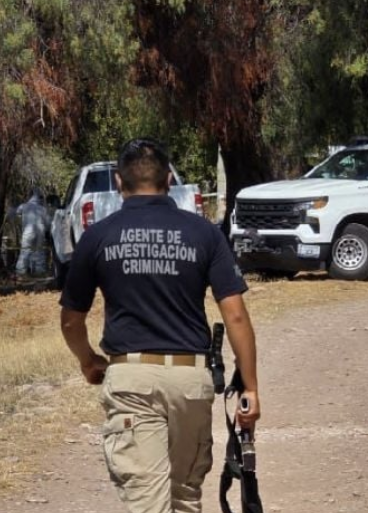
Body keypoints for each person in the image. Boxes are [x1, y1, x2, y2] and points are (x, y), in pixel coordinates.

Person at [59, 137, 260, 513]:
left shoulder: (98, 236)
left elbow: (71, 321)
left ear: (118, 182)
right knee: (184, 498)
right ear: (169, 180)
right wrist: (250, 387)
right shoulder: (204, 233)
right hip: (190, 382)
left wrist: (88, 360)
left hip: (131, 381)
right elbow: (235, 315)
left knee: (148, 503)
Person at [15, 188, 51, 278]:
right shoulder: (43, 209)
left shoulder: (23, 206)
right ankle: (40, 272)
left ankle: (21, 272)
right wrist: (47, 231)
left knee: (25, 251)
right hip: (40, 231)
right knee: (39, 251)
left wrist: (21, 220)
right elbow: (48, 223)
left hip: (28, 231)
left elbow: (17, 213)